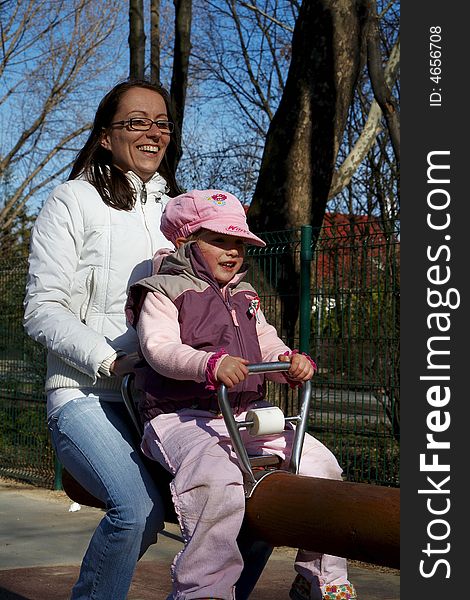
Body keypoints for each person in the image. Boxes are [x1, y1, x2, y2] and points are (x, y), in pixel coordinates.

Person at [23, 81, 270, 600]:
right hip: (88, 394)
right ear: (106, 136)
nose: (152, 133)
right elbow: (42, 311)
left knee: (259, 505)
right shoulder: (73, 202)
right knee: (137, 510)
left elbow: (215, 298)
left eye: (161, 123)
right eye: (136, 122)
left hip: (167, 400)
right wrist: (111, 360)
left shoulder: (183, 214)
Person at [126, 189, 358, 600]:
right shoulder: (163, 289)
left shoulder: (244, 294)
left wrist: (288, 360)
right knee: (215, 480)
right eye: (220, 240)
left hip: (248, 411)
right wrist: (208, 363)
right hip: (183, 416)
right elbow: (158, 348)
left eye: (239, 243)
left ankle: (319, 578)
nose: (233, 252)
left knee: (323, 466)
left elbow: (265, 340)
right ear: (185, 241)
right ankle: (203, 590)